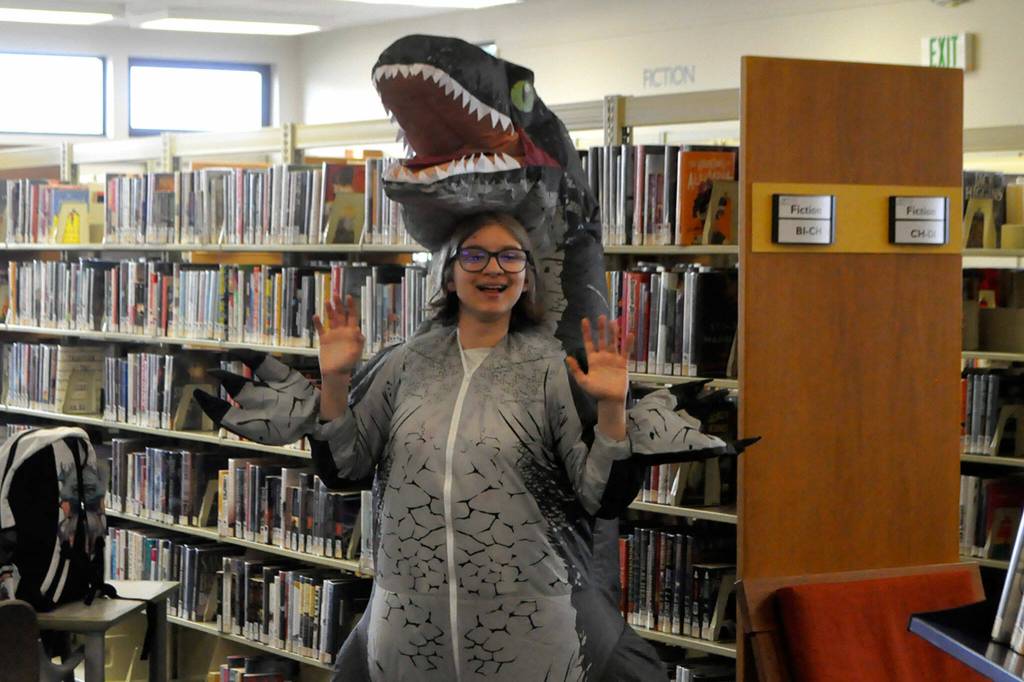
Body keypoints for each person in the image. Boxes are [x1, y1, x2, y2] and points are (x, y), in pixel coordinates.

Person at [312, 211, 655, 681]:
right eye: (474, 255)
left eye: (510, 257)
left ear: (527, 278)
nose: (493, 269)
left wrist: (613, 407)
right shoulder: (404, 364)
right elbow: (344, 468)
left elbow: (603, 496)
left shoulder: (555, 370)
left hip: (530, 641)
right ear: (448, 275)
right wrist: (334, 379)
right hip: (410, 637)